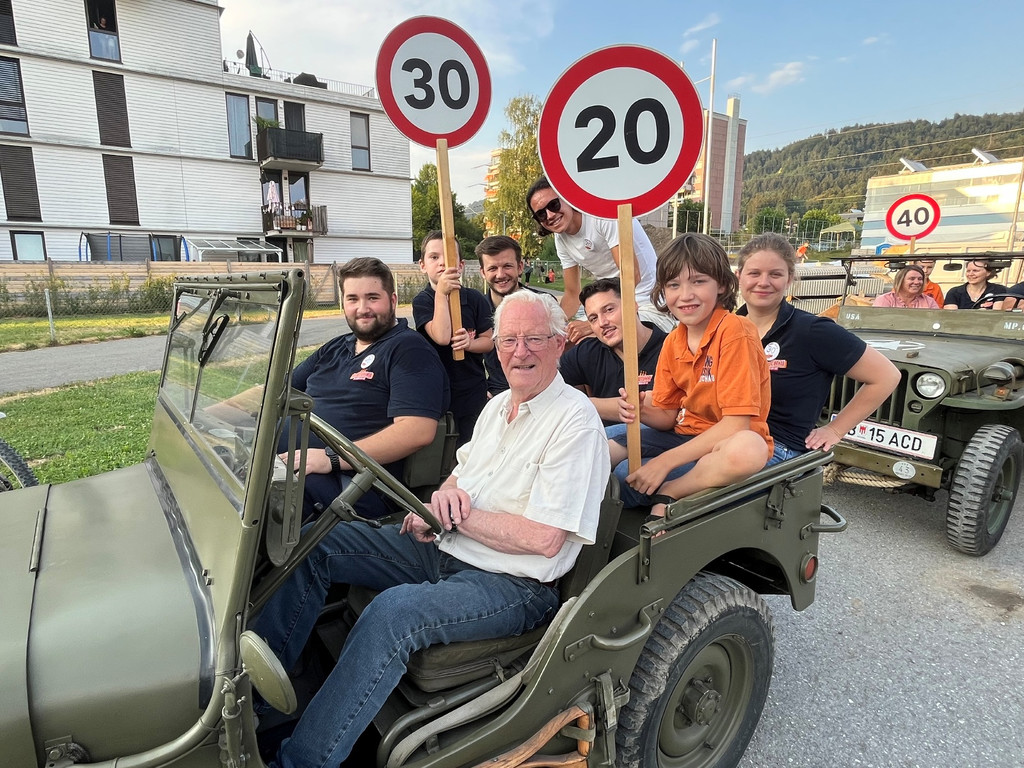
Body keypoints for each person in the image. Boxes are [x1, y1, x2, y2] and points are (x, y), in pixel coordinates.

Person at [252, 289, 609, 768]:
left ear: (560, 345)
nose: (519, 351)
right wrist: (434, 503)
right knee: (317, 542)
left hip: (513, 584)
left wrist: (451, 515)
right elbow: (463, 473)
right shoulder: (498, 404)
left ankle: (302, 761)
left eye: (533, 339)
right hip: (448, 546)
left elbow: (545, 539)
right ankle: (256, 702)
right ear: (496, 346)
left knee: (391, 614)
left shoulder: (575, 422)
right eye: (508, 341)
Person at [608, 233, 772, 518]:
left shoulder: (735, 331)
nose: (685, 295)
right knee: (604, 440)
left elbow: (735, 425)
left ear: (721, 284)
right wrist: (640, 409)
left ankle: (673, 491)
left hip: (724, 448)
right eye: (674, 285)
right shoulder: (674, 340)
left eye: (698, 281)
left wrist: (665, 463)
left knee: (749, 448)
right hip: (684, 436)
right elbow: (667, 417)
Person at [287, 257, 449, 519]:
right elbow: (278, 392)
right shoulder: (336, 347)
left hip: (356, 486)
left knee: (264, 501)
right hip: (294, 465)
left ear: (393, 301)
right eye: (352, 299)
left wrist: (331, 459)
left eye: (373, 298)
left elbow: (417, 431)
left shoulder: (409, 349)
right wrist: (216, 414)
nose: (362, 308)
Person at [736, 233, 900, 464]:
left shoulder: (811, 330)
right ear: (739, 276)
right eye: (754, 273)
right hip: (730, 438)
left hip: (778, 448)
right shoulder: (729, 328)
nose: (763, 282)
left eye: (775, 274)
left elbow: (886, 376)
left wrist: (834, 430)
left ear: (790, 278)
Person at [527, 175, 674, 342]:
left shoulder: (602, 214)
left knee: (589, 345)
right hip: (610, 307)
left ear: (568, 198)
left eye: (554, 205)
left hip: (646, 304)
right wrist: (552, 330)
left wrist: (593, 324)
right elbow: (572, 294)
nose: (550, 215)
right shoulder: (561, 239)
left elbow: (631, 276)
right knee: (561, 345)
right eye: (541, 214)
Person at [413, 231, 494, 445]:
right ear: (423, 265)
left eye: (449, 258)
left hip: (472, 389)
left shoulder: (475, 299)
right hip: (438, 390)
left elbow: (489, 340)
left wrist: (470, 344)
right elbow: (441, 336)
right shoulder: (423, 301)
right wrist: (441, 294)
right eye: (434, 257)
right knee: (442, 445)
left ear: (461, 264)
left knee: (473, 443)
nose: (442, 263)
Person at [560, 278, 667, 428]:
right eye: (593, 318)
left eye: (609, 310)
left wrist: (579, 403)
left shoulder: (668, 348)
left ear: (634, 305)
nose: (602, 322)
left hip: (655, 443)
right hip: (601, 443)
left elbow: (655, 408)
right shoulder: (588, 352)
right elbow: (548, 388)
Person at [475, 235, 560, 397]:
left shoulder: (545, 304)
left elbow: (560, 353)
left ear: (520, 267)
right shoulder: (477, 309)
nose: (500, 275)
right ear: (483, 273)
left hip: (542, 394)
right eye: (492, 268)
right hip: (497, 395)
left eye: (507, 266)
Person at [872, 265, 940, 308]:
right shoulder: (884, 300)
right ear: (900, 281)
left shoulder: (929, 302)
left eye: (920, 279)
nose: (917, 282)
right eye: (912, 279)